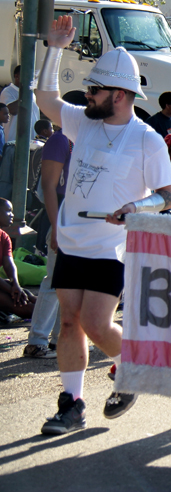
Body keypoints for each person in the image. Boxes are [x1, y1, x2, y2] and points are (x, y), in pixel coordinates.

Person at [35, 15, 171, 435]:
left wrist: (137, 205)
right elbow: (46, 98)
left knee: (95, 323)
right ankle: (72, 404)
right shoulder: (83, 121)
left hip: (111, 246)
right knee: (67, 322)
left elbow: (169, 196)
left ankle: (134, 365)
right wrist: (55, 47)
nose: (87, 95)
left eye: (94, 89)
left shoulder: (146, 138)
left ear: (118, 94)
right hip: (73, 239)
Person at [23, 120, 80, 360]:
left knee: (69, 284)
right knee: (54, 282)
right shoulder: (61, 139)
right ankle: (36, 341)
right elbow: (48, 187)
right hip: (63, 218)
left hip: (79, 220)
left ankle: (58, 340)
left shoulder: (81, 139)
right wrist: (56, 227)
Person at [0, 197, 35, 319]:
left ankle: (58, 310)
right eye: (8, 211)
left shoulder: (4, 237)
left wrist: (16, 285)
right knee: (26, 309)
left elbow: (9, 264)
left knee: (27, 294)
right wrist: (12, 290)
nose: (12, 215)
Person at [2, 64, 41, 143]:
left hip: (32, 142)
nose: (30, 78)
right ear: (17, 76)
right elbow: (12, 110)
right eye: (27, 75)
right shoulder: (8, 91)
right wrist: (25, 92)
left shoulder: (32, 95)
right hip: (13, 142)